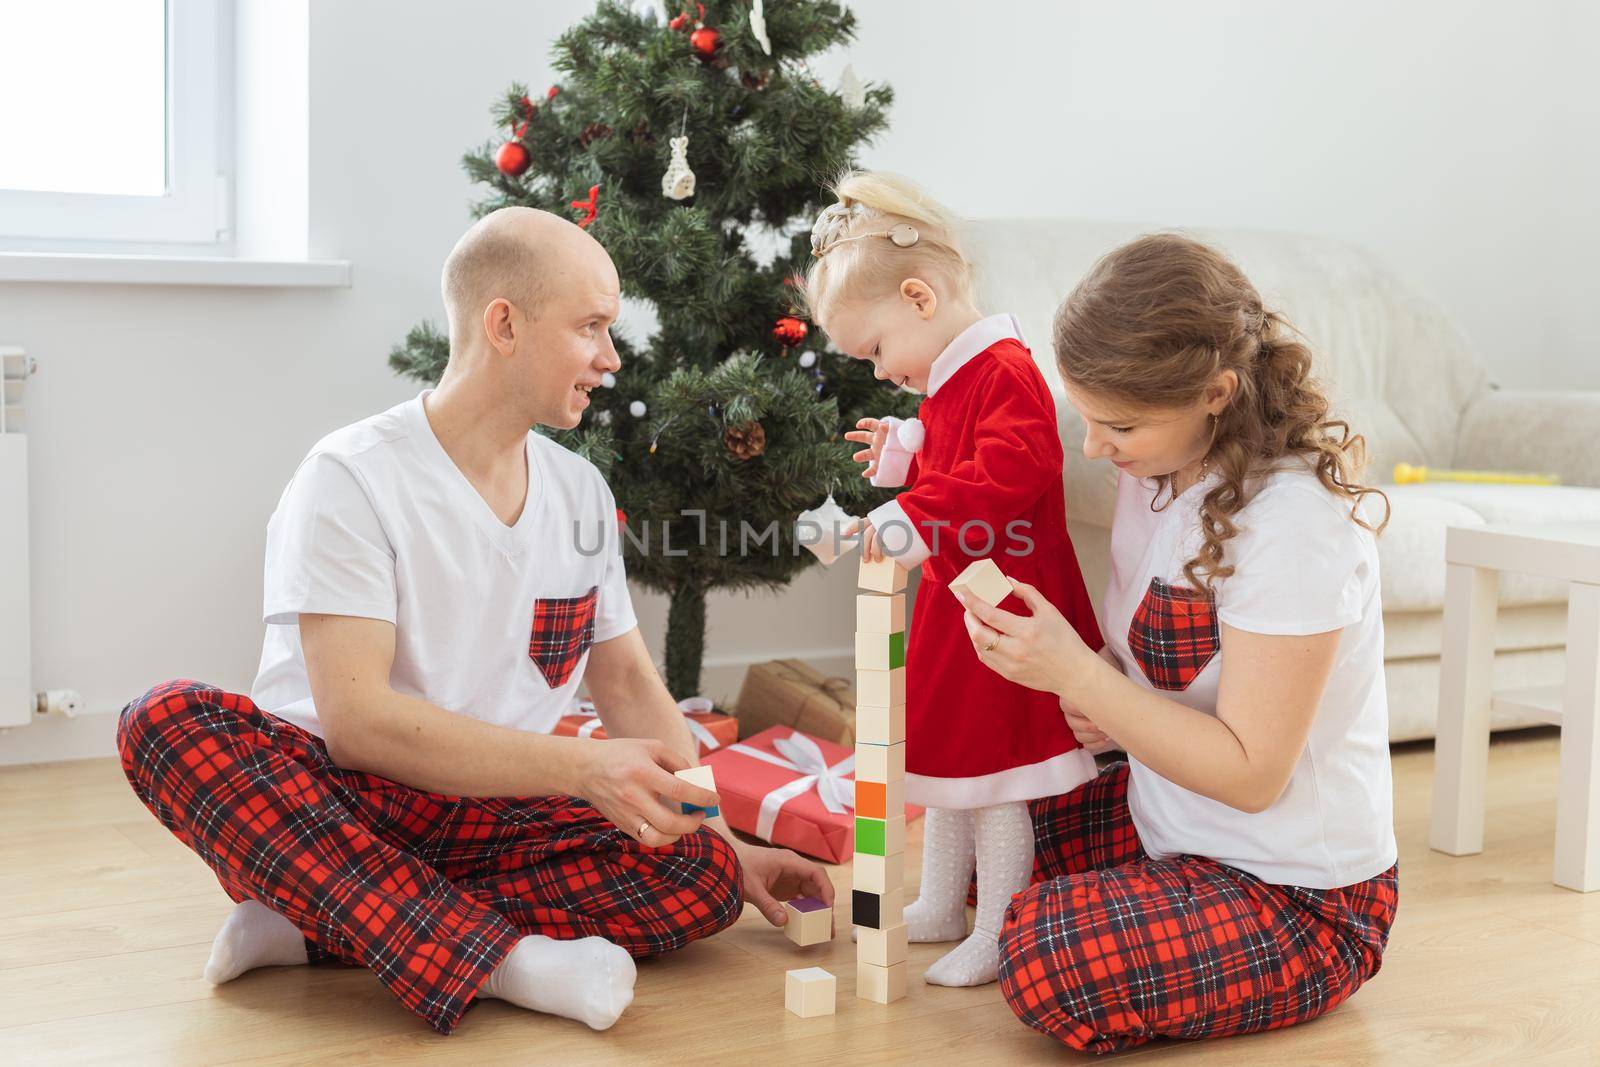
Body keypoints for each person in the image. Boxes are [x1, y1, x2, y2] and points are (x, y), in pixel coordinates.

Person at [117, 207, 832, 1036]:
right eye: (591, 326)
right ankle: (506, 960)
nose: (611, 358)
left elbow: (630, 679)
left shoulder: (580, 493)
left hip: (486, 809)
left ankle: (315, 925)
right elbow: (358, 726)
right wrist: (579, 769)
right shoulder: (350, 477)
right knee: (162, 721)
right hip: (333, 804)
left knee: (702, 874)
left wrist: (730, 846)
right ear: (504, 324)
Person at [955, 234, 1400, 1053]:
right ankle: (1139, 896)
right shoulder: (1158, 474)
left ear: (1216, 393)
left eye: (1118, 424)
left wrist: (1085, 680)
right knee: (991, 819)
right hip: (1168, 820)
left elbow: (1252, 774)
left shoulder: (1293, 528)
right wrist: (1099, 694)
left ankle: (1164, 917)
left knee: (1042, 955)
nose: (1094, 447)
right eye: (1088, 416)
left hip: (1295, 890)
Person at [806, 172, 1103, 986]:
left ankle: (1003, 919)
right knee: (946, 760)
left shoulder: (1004, 367)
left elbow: (1017, 463)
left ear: (919, 297)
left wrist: (918, 510)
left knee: (993, 772)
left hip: (1005, 604)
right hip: (961, 598)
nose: (878, 369)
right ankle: (940, 898)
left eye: (874, 349)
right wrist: (909, 449)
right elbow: (963, 448)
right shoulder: (955, 379)